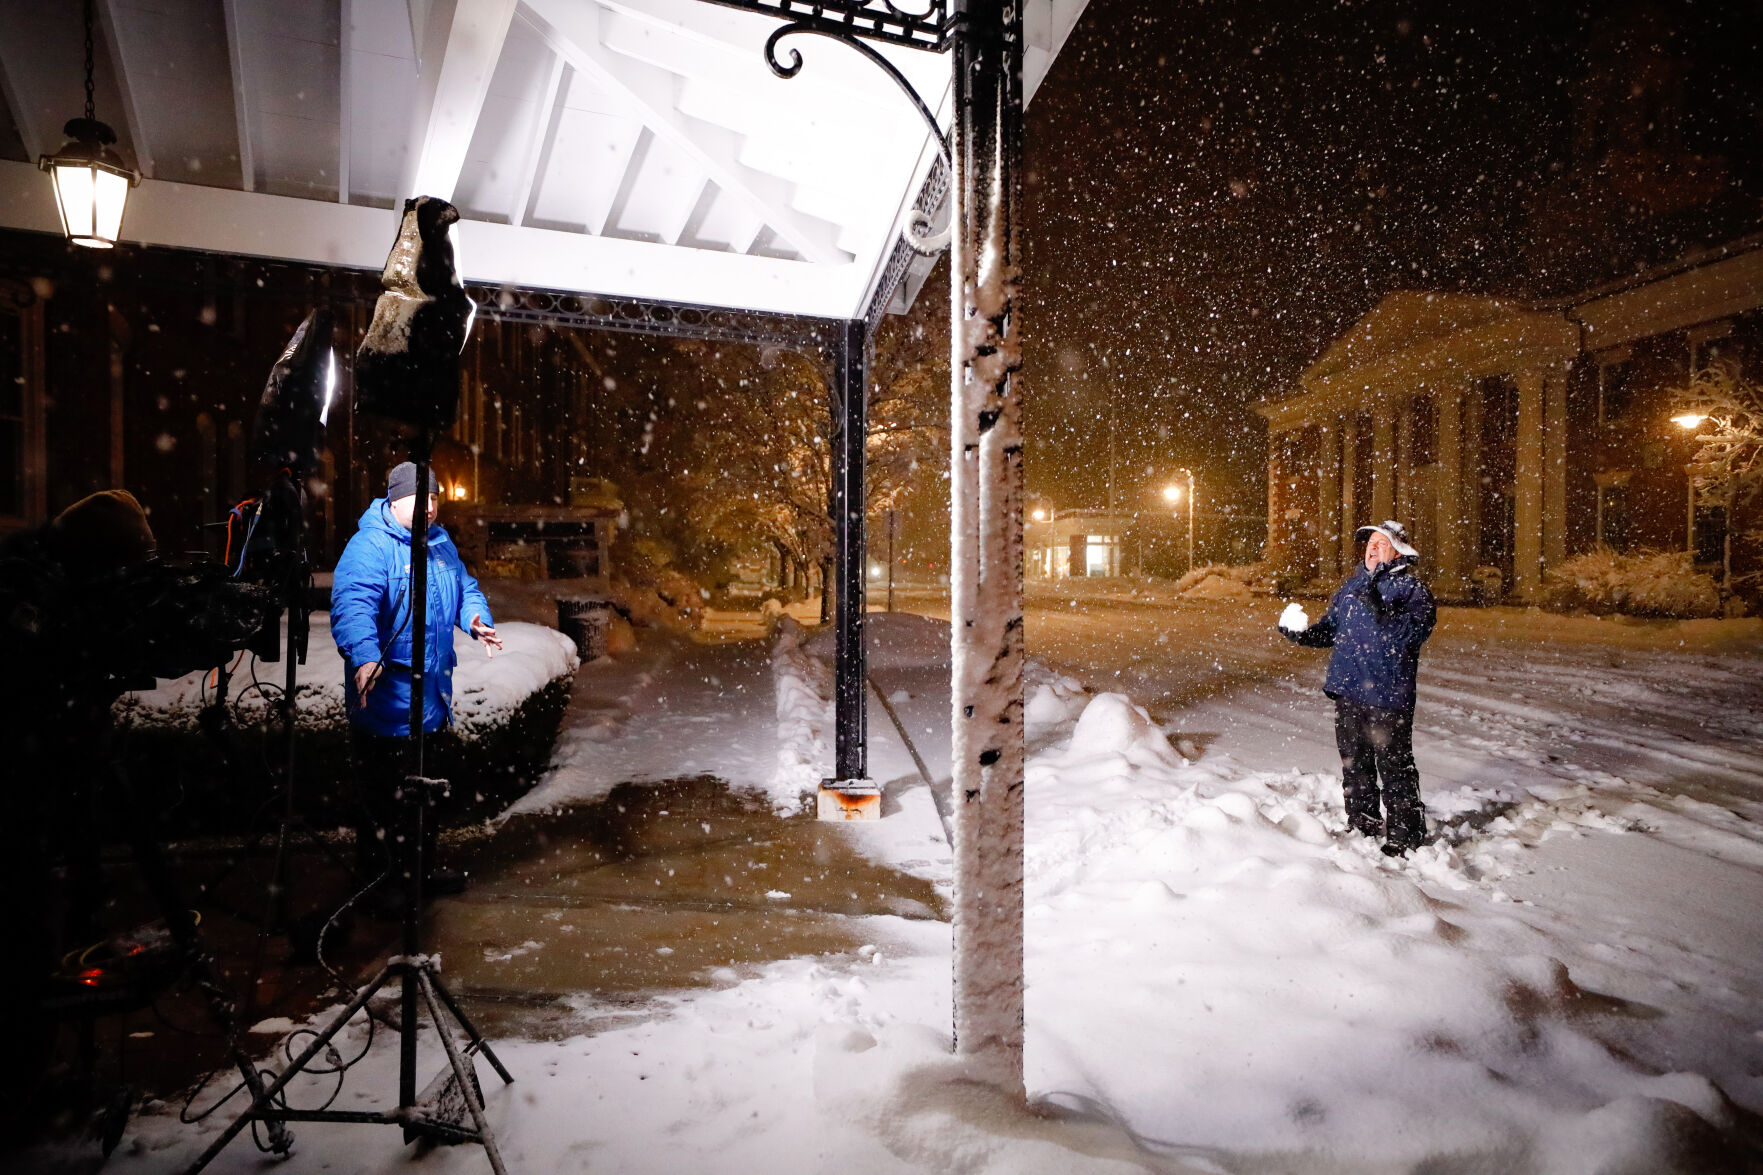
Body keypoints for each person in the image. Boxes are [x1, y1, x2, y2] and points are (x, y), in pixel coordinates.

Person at [331, 462, 501, 895]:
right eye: (419, 498)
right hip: (387, 709)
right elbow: (353, 605)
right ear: (394, 499)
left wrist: (475, 617)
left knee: (425, 801)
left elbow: (465, 589)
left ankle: (419, 877)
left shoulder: (441, 545)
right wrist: (366, 658)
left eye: (433, 499)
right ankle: (380, 889)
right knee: (387, 808)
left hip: (430, 704)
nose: (428, 508)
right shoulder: (370, 547)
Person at [1278, 520, 1437, 856]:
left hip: (1387, 696)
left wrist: (1379, 610)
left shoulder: (1412, 591)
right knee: (1355, 764)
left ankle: (1405, 835)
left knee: (1395, 768)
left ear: (1399, 552)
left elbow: (1409, 636)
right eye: (1370, 542)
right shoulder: (1351, 589)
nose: (1373, 547)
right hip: (1349, 692)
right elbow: (1330, 631)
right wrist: (1302, 634)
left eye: (1382, 542)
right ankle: (1362, 823)